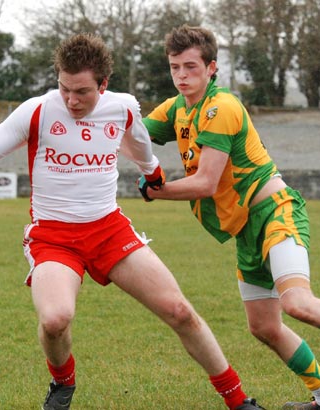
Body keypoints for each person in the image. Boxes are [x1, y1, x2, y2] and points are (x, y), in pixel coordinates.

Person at [0, 33, 264, 410]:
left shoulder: (123, 107)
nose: (71, 100)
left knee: (180, 311)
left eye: (83, 92)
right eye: (64, 88)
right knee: (55, 319)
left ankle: (238, 401)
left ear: (104, 85)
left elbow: (139, 144)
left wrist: (153, 174)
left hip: (108, 230)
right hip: (53, 237)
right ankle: (62, 386)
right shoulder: (36, 110)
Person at [139, 24, 320, 410]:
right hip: (245, 230)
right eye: (175, 68)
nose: (182, 76)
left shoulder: (222, 107)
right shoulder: (175, 109)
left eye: (190, 66)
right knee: (265, 327)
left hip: (275, 213)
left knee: (298, 304)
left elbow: (205, 183)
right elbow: (130, 132)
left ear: (211, 68)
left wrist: (157, 189)